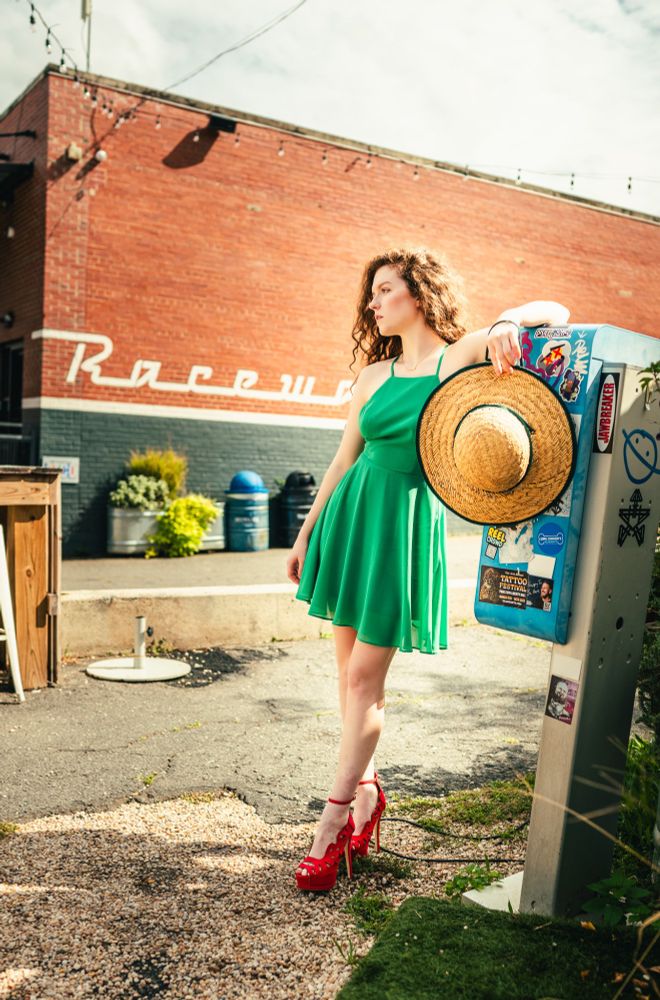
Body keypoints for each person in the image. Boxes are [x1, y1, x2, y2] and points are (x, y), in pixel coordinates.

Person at [285, 245, 570, 891]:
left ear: (419, 293)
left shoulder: (456, 356)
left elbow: (554, 309)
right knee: (347, 680)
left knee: (364, 679)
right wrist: (306, 533)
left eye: (385, 290)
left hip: (401, 529)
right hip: (349, 521)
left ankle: (330, 825)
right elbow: (342, 460)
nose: (373, 304)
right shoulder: (371, 376)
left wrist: (507, 323)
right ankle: (367, 797)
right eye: (372, 294)